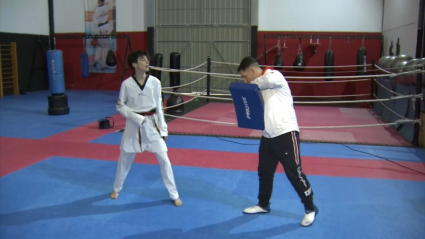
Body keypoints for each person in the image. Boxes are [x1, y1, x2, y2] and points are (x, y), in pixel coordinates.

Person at [237, 56, 318, 226]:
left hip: (286, 134)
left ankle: (310, 208)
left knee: (294, 174)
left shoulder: (274, 76)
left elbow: (264, 81)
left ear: (252, 71)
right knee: (264, 172)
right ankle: (263, 204)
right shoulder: (259, 86)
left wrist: (243, 86)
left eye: (245, 76)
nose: (245, 80)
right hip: (268, 136)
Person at [110, 50, 182, 207]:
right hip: (133, 125)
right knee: (124, 159)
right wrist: (136, 118)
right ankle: (117, 188)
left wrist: (164, 129)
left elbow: (159, 107)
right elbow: (120, 106)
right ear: (135, 64)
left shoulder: (155, 82)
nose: (147, 62)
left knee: (164, 160)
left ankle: (174, 194)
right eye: (143, 60)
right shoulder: (127, 84)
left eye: (147, 59)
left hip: (153, 125)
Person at [91, 0, 111, 69]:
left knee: (99, 46)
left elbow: (94, 22)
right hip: (106, 27)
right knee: (105, 47)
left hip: (99, 28)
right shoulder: (107, 7)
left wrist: (94, 34)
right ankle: (103, 64)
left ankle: (96, 60)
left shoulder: (96, 9)